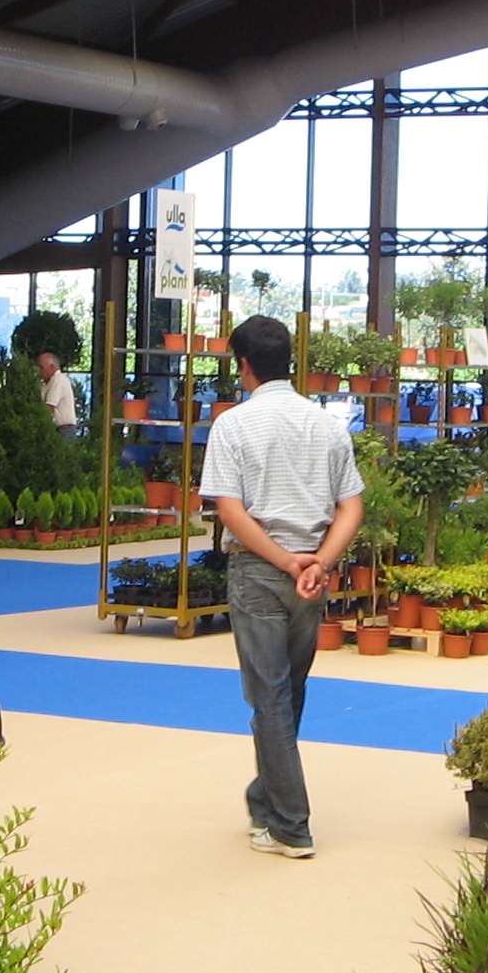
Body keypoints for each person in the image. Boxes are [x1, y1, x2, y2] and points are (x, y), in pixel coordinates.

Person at [198, 315, 364, 859]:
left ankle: (292, 825)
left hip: (260, 571)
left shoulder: (233, 424)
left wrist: (287, 562)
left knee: (268, 697)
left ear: (242, 365)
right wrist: (318, 561)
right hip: (311, 575)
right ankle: (265, 802)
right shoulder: (327, 425)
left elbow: (229, 510)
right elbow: (351, 507)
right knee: (287, 692)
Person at [36, 351, 78, 434]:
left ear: (52, 367)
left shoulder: (58, 380)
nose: (39, 370)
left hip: (64, 430)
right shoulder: (45, 383)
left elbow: (49, 406)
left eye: (41, 367)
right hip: (58, 429)